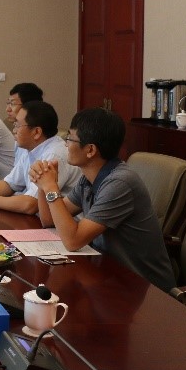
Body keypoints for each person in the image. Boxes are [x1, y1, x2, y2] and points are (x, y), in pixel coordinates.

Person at [29, 107, 176, 292]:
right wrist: (43, 182)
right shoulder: (89, 178)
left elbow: (73, 241)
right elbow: (49, 220)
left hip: (144, 288)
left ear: (90, 150)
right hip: (106, 273)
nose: (66, 144)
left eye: (70, 139)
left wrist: (51, 187)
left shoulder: (119, 183)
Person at [0, 101, 80, 215]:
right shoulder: (30, 148)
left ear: (36, 132)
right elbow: (10, 184)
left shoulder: (54, 156)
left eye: (17, 125)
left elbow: (31, 205)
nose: (14, 130)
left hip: (63, 221)